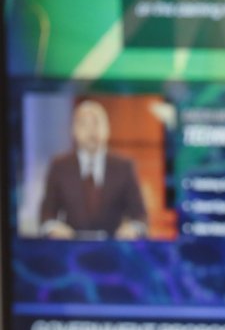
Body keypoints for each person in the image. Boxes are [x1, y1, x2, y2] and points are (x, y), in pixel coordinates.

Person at [39, 100, 147, 239]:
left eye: (96, 123)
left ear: (108, 128)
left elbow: (140, 215)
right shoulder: (59, 166)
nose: (91, 130)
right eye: (84, 124)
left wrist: (132, 229)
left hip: (114, 247)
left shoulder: (124, 166)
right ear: (73, 130)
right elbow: (47, 214)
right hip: (70, 247)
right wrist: (54, 229)